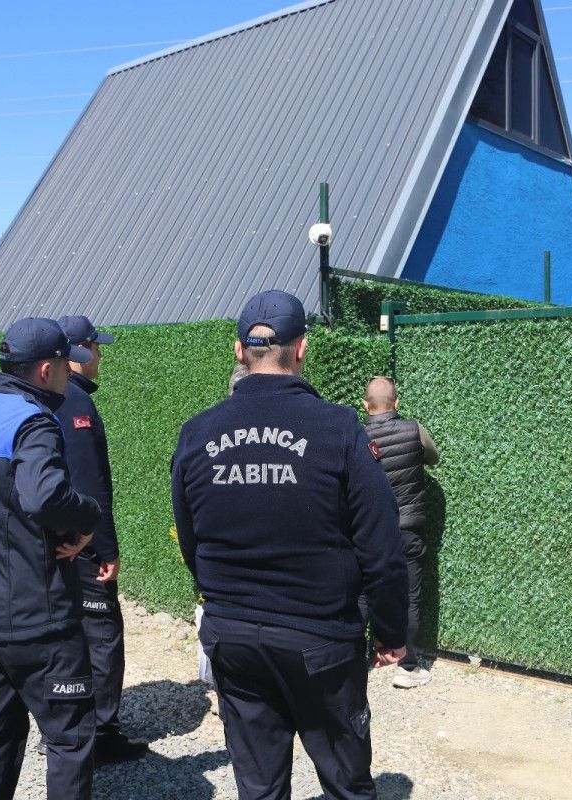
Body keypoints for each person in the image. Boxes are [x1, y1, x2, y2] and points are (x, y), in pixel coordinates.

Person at [171, 289, 409, 800]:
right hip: (319, 638)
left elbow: (190, 538)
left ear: (239, 351)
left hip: (232, 636)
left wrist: (227, 597)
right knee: (347, 783)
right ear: (302, 348)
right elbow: (382, 545)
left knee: (259, 786)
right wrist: (391, 631)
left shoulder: (196, 433)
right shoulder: (339, 429)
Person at [0, 317, 103, 800]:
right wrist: (89, 516)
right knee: (70, 740)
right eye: (66, 365)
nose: (71, 373)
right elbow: (43, 496)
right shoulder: (33, 423)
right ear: (47, 370)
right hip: (42, 619)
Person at [48, 314, 149, 763]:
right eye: (95, 347)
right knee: (103, 635)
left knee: (70, 634)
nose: (100, 355)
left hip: (57, 543)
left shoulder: (49, 397)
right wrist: (105, 548)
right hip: (82, 546)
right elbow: (89, 486)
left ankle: (70, 727)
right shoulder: (76, 403)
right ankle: (102, 736)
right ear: (79, 352)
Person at [361, 376, 439, 688]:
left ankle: (353, 660)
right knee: (410, 598)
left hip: (370, 533)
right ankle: (407, 668)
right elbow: (433, 458)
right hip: (408, 530)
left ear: (365, 405)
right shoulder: (413, 429)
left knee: (362, 595)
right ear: (396, 403)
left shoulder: (356, 435)